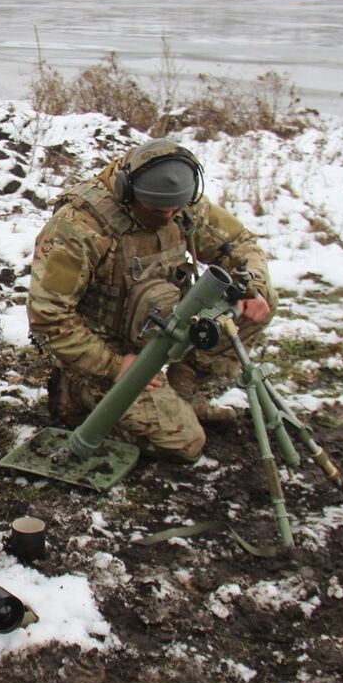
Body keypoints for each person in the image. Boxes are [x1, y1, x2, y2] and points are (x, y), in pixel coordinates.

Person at [27, 138, 276, 462]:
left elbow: (240, 243)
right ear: (128, 192)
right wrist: (114, 366)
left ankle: (181, 391)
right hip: (107, 350)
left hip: (166, 326)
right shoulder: (79, 226)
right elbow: (49, 318)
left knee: (260, 304)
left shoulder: (182, 204)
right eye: (158, 211)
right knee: (186, 444)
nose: (170, 216)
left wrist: (252, 286)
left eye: (176, 208)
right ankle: (74, 396)